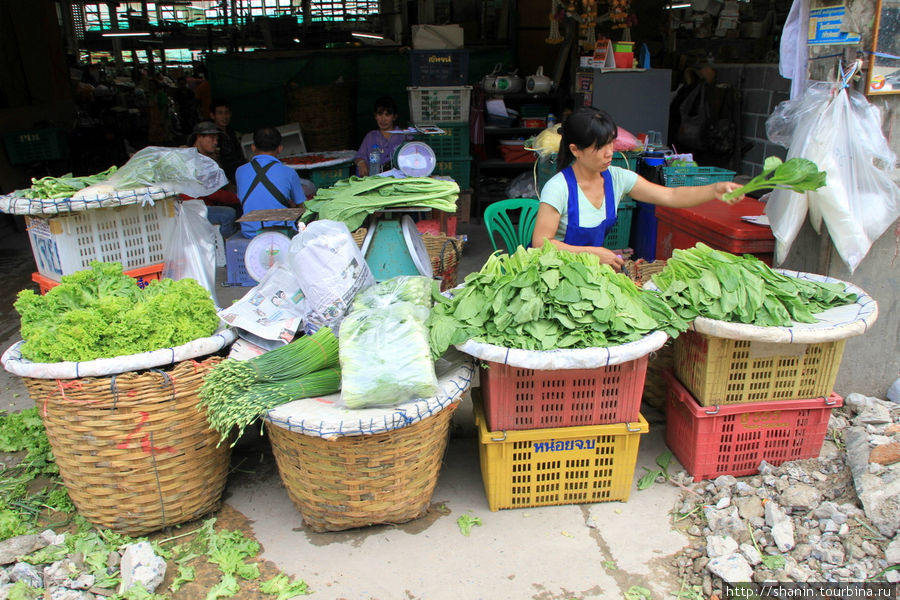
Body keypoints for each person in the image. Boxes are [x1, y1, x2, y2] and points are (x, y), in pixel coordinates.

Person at [531, 107, 743, 271]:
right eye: (600, 147)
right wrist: (592, 253)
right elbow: (541, 244)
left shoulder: (617, 178)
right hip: (553, 272)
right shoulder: (558, 187)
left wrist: (714, 190)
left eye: (611, 144)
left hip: (590, 271)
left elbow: (670, 195)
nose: (609, 153)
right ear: (575, 150)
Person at [236, 126, 308, 238]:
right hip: (282, 232)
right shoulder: (289, 172)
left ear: (253, 147)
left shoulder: (240, 171)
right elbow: (301, 206)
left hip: (250, 233)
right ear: (280, 148)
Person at [188, 121, 238, 237]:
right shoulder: (193, 160)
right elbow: (212, 192)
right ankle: (224, 248)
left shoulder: (207, 158)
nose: (215, 143)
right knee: (229, 214)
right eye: (211, 138)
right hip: (194, 209)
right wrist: (237, 198)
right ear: (199, 137)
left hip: (205, 204)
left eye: (216, 139)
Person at [353, 96, 410, 176]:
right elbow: (359, 156)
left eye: (387, 115)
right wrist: (360, 163)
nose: (383, 119)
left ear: (394, 117)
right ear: (375, 116)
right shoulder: (370, 137)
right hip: (374, 181)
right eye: (380, 114)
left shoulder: (404, 136)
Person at [209, 99, 245, 184]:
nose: (224, 117)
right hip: (227, 179)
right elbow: (216, 162)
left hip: (240, 173)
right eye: (220, 113)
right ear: (212, 115)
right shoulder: (212, 137)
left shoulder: (233, 133)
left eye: (227, 113)